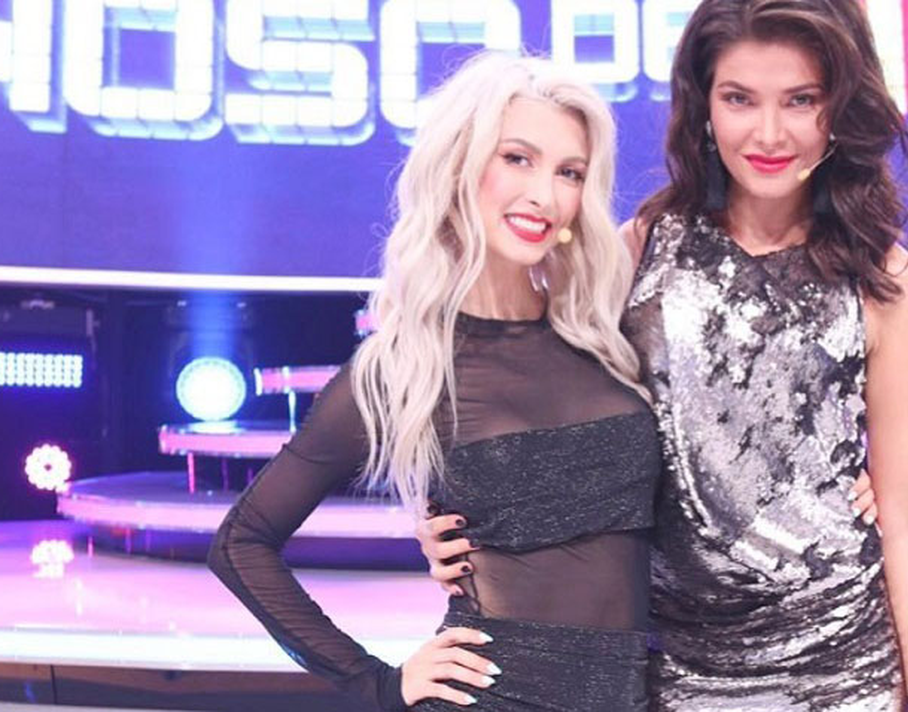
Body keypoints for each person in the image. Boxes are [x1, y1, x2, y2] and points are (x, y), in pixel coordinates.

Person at [423, 1, 908, 710]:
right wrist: (461, 521)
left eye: (800, 100)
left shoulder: (885, 281)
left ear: (840, 108)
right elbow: (542, 416)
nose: (769, 133)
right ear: (703, 106)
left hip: (842, 666)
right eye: (739, 99)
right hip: (675, 670)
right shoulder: (640, 250)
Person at [208, 53, 662, 711]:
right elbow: (242, 543)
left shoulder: (604, 334)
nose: (545, 194)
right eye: (518, 158)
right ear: (459, 166)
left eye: (570, 172)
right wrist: (376, 683)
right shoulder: (404, 367)